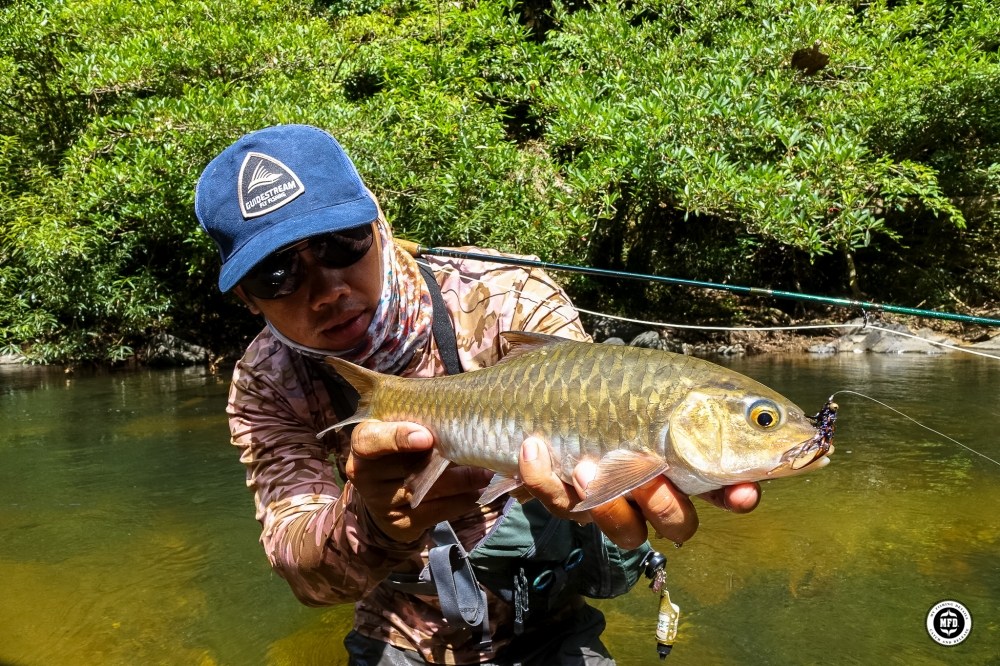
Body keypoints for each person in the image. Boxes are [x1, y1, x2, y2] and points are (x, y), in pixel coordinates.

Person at [194, 124, 761, 665]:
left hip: (547, 620)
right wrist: (372, 522)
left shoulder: (506, 294)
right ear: (245, 298)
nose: (325, 290)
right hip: (401, 633)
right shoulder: (267, 383)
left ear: (380, 225)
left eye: (340, 243)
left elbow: (604, 404)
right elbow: (303, 573)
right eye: (276, 275)